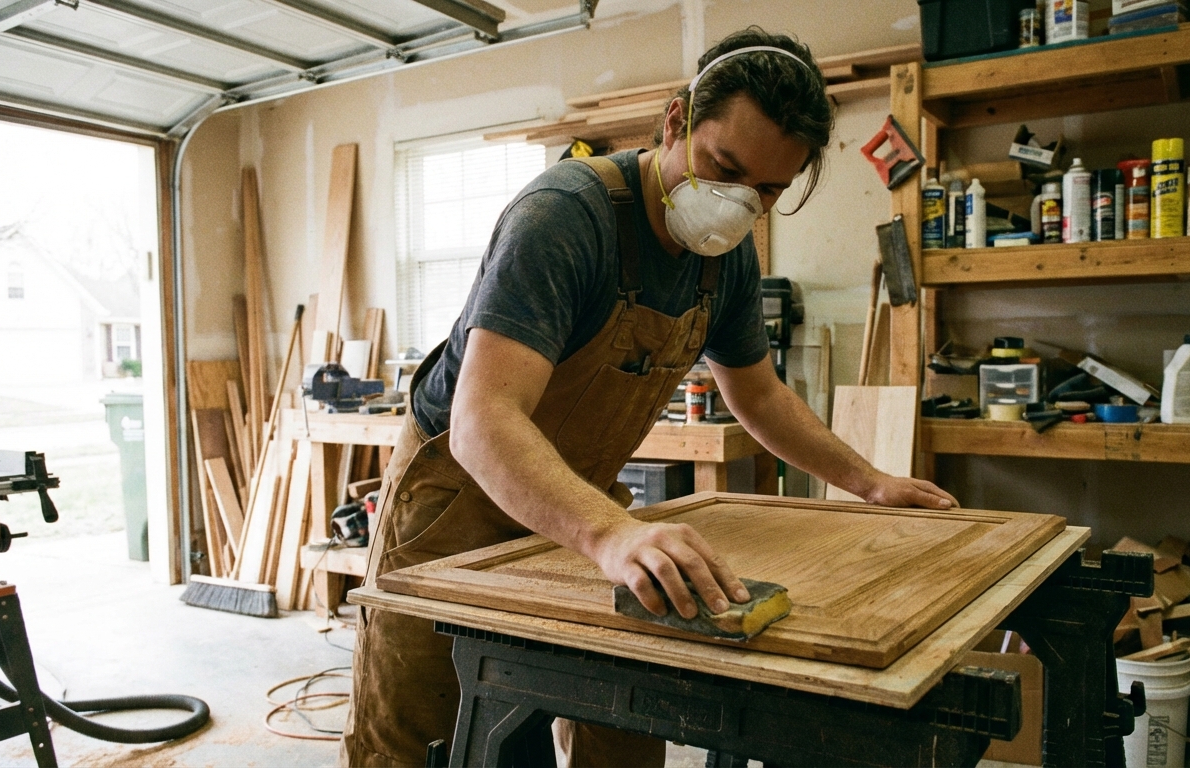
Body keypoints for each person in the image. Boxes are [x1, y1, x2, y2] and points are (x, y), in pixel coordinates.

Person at [339, 26, 959, 768]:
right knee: (426, 739)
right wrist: (611, 534)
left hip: (567, 505)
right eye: (723, 167)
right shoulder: (565, 217)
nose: (738, 204)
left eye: (766, 191)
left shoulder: (722, 260)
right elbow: (482, 422)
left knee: (623, 720)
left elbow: (758, 396)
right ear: (675, 121)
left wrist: (870, 481)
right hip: (456, 512)